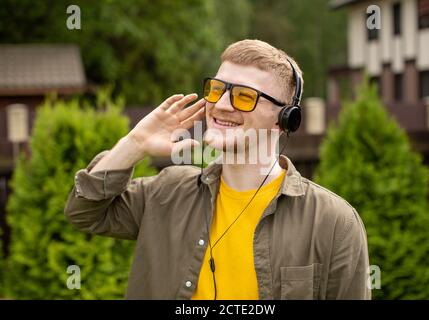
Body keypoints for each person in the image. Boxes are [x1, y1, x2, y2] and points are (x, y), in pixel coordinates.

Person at [64, 39, 371, 300]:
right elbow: (84, 210)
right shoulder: (166, 192)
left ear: (286, 119)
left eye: (244, 96)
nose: (222, 104)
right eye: (217, 89)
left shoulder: (334, 223)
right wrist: (135, 144)